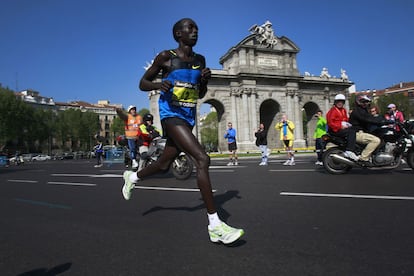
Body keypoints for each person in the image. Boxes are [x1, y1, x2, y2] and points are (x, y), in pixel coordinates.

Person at [122, 18, 244, 245]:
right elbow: (143, 82)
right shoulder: (165, 56)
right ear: (178, 34)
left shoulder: (200, 60)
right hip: (170, 115)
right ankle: (215, 225)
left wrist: (205, 81)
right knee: (202, 159)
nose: (195, 31)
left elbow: (199, 94)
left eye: (197, 28)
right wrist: (159, 85)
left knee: (164, 163)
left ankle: (133, 176)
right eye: (190, 28)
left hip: (188, 118)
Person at [349, 95, 384, 166]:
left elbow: (371, 118)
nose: (366, 103)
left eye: (367, 102)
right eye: (364, 102)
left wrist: (385, 120)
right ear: (359, 102)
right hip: (357, 133)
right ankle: (363, 158)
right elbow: (367, 119)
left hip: (361, 132)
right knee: (375, 140)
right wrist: (382, 121)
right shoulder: (357, 111)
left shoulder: (364, 111)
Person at [326, 94, 359, 161]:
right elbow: (330, 123)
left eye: (341, 101)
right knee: (351, 132)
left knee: (354, 129)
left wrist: (349, 124)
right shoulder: (333, 111)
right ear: (335, 102)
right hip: (335, 130)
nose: (340, 103)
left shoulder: (343, 110)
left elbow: (346, 119)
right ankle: (349, 150)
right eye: (338, 101)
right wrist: (340, 126)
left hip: (342, 128)